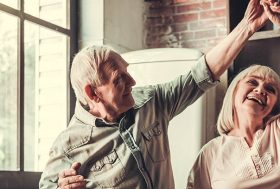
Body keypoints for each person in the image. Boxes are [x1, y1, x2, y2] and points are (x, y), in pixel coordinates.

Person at [39, 0, 269, 188]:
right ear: (92, 93)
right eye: (119, 79)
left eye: (127, 72)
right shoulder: (67, 146)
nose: (133, 82)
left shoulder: (151, 102)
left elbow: (201, 73)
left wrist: (248, 25)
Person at [187, 1, 280, 189]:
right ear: (233, 91)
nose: (260, 90)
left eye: (271, 89)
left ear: (275, 104)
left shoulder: (277, 130)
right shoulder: (210, 153)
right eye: (252, 82)